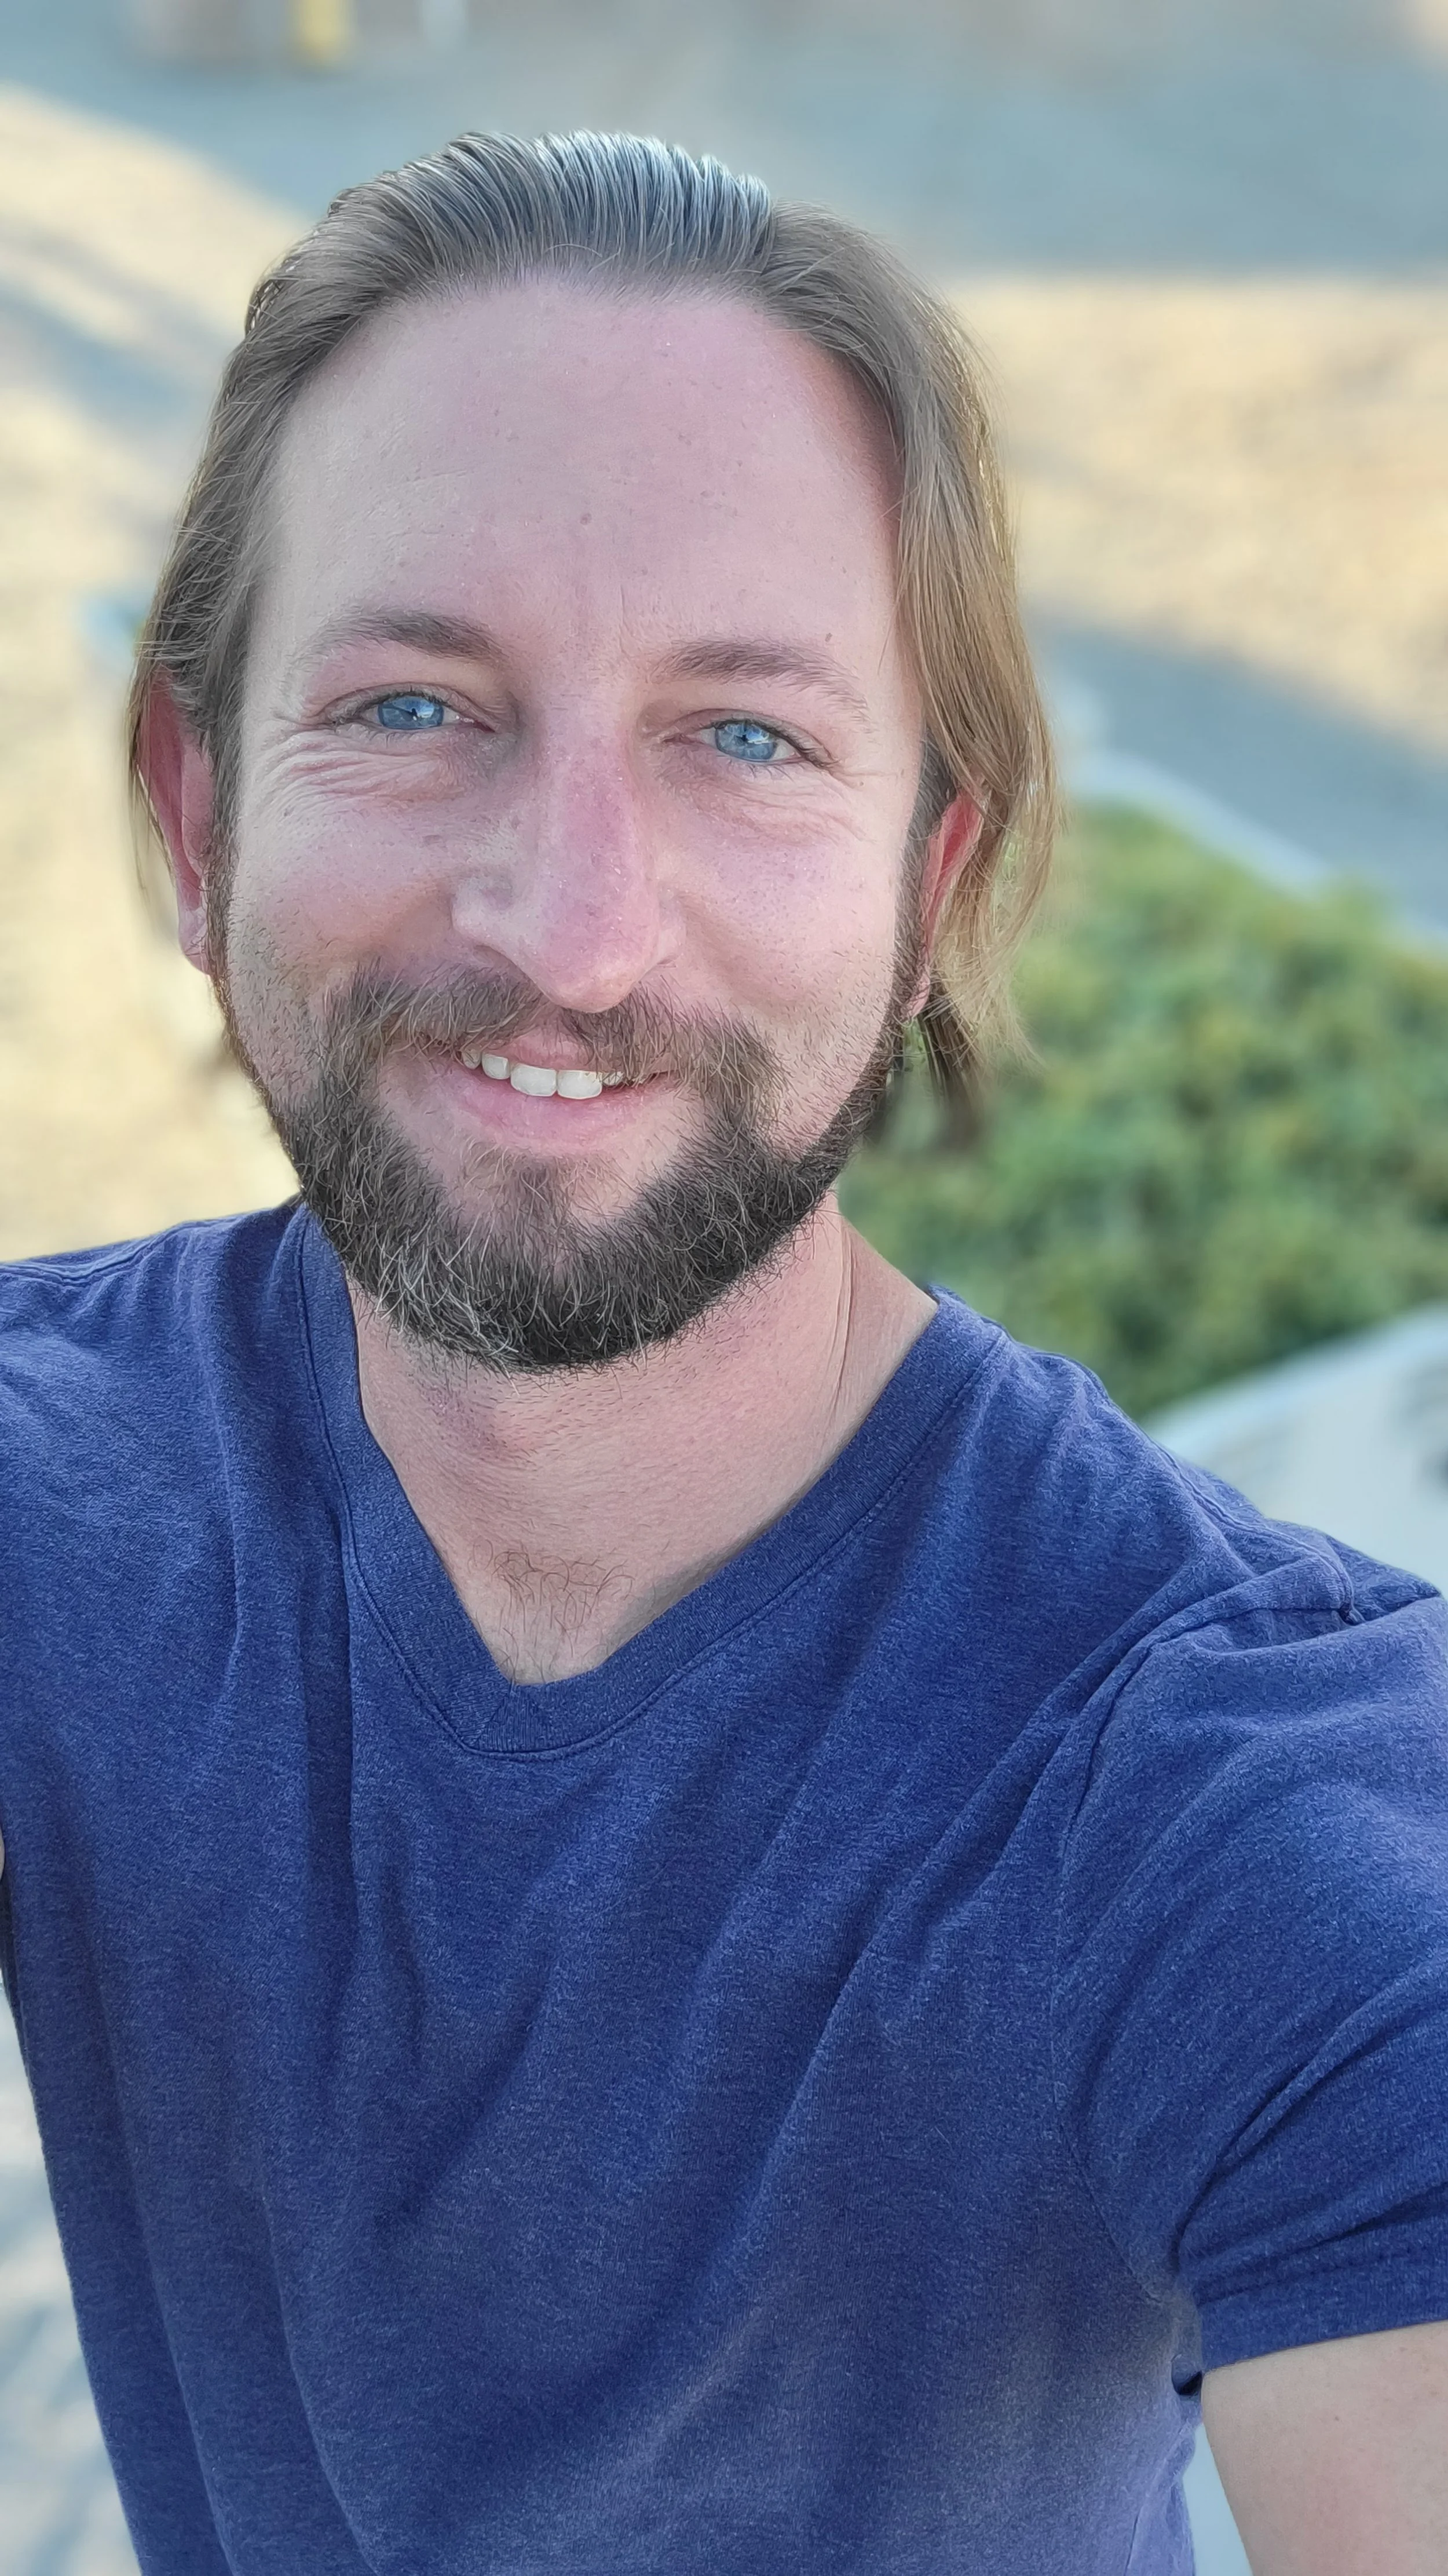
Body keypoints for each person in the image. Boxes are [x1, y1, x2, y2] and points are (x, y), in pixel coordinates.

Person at [1, 130, 1445, 2576]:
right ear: (193, 805)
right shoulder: (56, 1507)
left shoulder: (1214, 1790)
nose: (570, 927)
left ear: (929, 882)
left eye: (745, 737)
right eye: (413, 703)